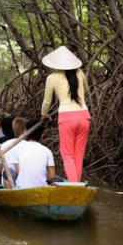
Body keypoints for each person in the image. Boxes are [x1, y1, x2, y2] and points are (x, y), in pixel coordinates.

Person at [40, 46, 91, 182]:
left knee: (68, 155)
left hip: (67, 119)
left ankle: (74, 185)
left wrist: (44, 114)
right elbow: (85, 89)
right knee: (78, 155)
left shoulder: (52, 78)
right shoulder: (79, 73)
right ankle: (78, 185)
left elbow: (46, 102)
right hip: (84, 117)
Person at [3, 118, 56, 189]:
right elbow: (52, 176)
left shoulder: (18, 148)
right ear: (42, 135)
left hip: (21, 188)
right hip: (42, 189)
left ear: (26, 131)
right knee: (58, 179)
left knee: (7, 172)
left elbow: (19, 172)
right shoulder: (47, 151)